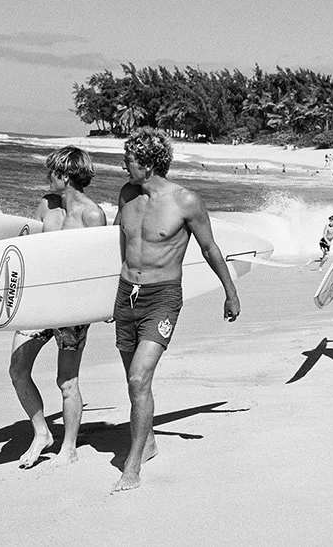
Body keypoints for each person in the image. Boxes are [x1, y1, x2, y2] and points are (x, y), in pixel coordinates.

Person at [112, 127, 240, 492]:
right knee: (133, 380)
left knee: (138, 378)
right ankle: (149, 441)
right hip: (126, 295)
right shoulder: (127, 195)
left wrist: (230, 292)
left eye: (129, 161)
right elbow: (121, 243)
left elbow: (210, 248)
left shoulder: (186, 201)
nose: (124, 167)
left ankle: (132, 465)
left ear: (149, 164)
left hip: (162, 298)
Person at [9, 146, 107, 469]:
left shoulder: (93, 215)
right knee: (18, 370)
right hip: (39, 301)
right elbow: (27, 248)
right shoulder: (46, 205)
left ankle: (69, 447)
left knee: (67, 381)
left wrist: (102, 305)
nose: (47, 177)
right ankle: (42, 433)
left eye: (51, 172)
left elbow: (101, 265)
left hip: (72, 306)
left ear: (65, 175)